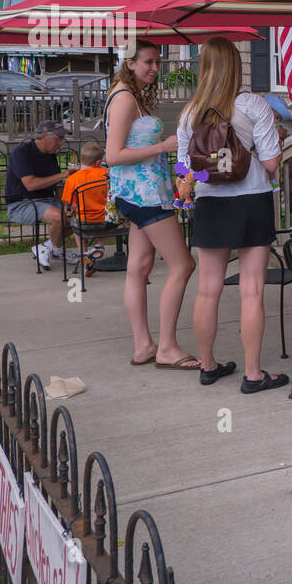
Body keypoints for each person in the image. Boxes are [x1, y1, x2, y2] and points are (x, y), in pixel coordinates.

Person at [177, 38, 286, 394]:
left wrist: (206, 175)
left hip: (211, 202)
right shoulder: (253, 104)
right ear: (236, 67)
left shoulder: (190, 112)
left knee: (208, 290)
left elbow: (185, 169)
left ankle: (208, 366)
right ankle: (253, 375)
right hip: (252, 199)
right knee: (252, 290)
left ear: (203, 67)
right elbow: (271, 163)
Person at [104, 41, 198, 370]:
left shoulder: (133, 95)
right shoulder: (125, 99)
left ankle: (144, 345)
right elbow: (112, 156)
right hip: (143, 196)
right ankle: (168, 347)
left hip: (138, 194)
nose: (154, 68)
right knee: (183, 265)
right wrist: (163, 146)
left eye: (157, 62)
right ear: (128, 63)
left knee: (139, 266)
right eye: (147, 62)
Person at [4, 119, 78, 269]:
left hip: (48, 200)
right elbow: (30, 185)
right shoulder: (21, 152)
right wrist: (64, 175)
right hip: (22, 203)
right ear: (44, 136)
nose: (61, 143)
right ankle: (55, 249)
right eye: (58, 139)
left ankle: (49, 247)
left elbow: (55, 186)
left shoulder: (50, 154)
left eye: (63, 139)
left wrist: (66, 203)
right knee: (58, 217)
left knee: (80, 215)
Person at [61, 141, 110, 271]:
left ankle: (83, 253)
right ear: (98, 162)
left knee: (75, 220)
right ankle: (99, 245)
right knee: (110, 213)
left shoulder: (72, 179)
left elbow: (68, 204)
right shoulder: (105, 174)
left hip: (83, 222)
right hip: (105, 221)